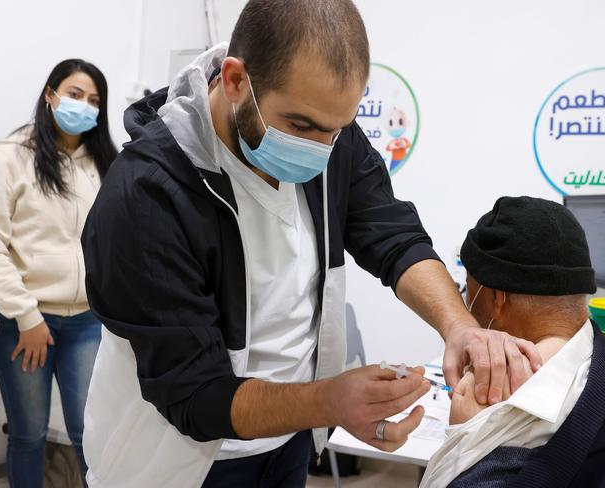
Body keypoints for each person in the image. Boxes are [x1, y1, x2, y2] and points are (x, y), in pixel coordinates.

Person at [81, 1, 541, 486]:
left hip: (288, 439)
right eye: (301, 127)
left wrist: (460, 327)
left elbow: (391, 234)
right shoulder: (147, 197)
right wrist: (330, 400)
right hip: (180, 458)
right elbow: (195, 395)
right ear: (235, 81)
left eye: (337, 130)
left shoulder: (325, 131)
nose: (321, 149)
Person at [0, 59, 117, 488]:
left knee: (91, 436)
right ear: (50, 95)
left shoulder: (105, 164)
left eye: (94, 100)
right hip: (22, 321)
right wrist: (27, 316)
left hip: (87, 323)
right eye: (74, 94)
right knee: (28, 434)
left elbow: (111, 244)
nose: (84, 106)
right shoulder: (13, 157)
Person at [420, 196, 605, 488]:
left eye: (468, 292)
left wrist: (466, 436)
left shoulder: (510, 438)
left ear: (496, 300)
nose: (466, 304)